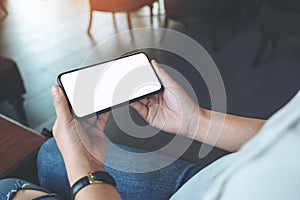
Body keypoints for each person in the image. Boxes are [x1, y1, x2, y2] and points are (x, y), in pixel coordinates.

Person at [0, 60, 299, 200]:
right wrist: (196, 121)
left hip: (224, 188)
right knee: (51, 153)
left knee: (7, 188)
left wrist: (88, 173)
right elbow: (290, 140)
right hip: (217, 179)